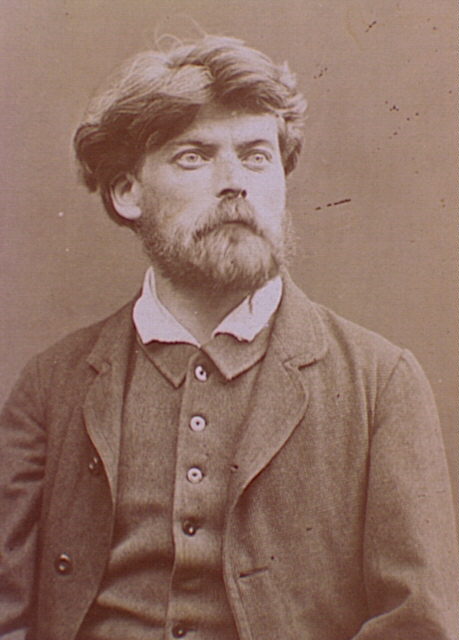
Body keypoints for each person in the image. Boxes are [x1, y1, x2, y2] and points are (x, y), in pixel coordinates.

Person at [0, 35, 457, 640]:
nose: (235, 181)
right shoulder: (51, 385)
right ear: (128, 192)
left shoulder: (380, 383)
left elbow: (417, 624)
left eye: (256, 156)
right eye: (194, 157)